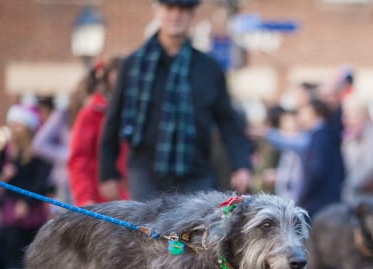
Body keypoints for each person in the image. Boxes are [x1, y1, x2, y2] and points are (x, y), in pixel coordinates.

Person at [99, 0, 251, 201]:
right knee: (147, 231)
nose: (176, 15)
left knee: (192, 233)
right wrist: (107, 173)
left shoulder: (209, 68)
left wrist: (241, 165)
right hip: (145, 171)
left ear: (192, 13)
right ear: (158, 11)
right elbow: (114, 120)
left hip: (196, 171)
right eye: (170, 8)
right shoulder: (133, 65)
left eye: (183, 9)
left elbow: (228, 121)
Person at [0, 104, 53, 269]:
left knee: (32, 246)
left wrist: (26, 202)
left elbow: (41, 182)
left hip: (32, 208)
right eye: (13, 125)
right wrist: (5, 176)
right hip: (11, 209)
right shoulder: (7, 152)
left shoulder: (38, 153)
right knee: (11, 245)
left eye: (19, 125)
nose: (15, 130)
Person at [68, 57, 129, 207]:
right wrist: (84, 198)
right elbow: (79, 160)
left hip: (135, 198)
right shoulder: (91, 114)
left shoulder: (137, 113)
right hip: (101, 201)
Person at [340, 95, 373, 203]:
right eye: (346, 115)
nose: (349, 120)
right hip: (354, 196)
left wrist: (352, 184)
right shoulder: (349, 136)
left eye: (354, 116)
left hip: (370, 198)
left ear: (365, 116)